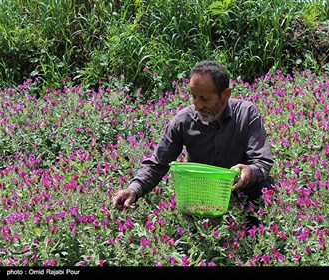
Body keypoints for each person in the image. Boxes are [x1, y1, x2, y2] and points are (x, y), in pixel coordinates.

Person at [112, 60, 274, 224]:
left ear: (225, 95)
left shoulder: (246, 114)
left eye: (204, 99)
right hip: (203, 196)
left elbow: (262, 162)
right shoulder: (183, 121)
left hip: (242, 192)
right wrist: (134, 189)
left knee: (265, 188)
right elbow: (158, 163)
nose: (197, 106)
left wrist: (249, 172)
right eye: (194, 97)